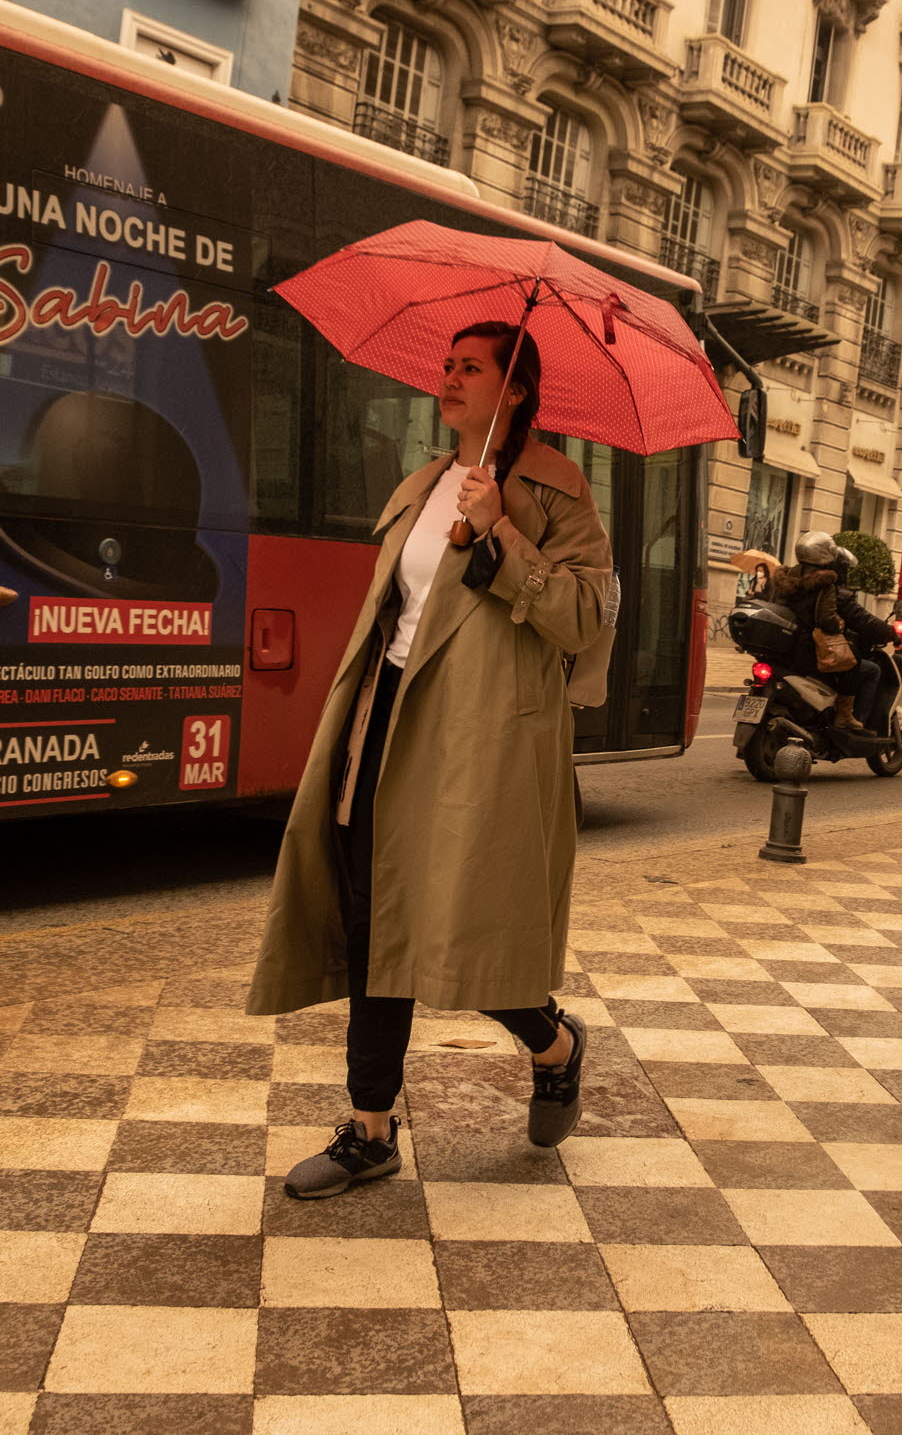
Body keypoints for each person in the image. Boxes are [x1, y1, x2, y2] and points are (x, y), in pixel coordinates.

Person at [248, 321, 616, 1199]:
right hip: (387, 718)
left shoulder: (559, 495)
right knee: (378, 917)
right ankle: (371, 1128)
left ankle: (553, 1041)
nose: (447, 377)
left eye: (470, 367)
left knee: (463, 924)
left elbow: (583, 622)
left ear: (515, 389)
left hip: (480, 739)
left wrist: (502, 537)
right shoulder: (424, 483)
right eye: (446, 364)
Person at [773, 532, 891, 737]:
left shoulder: (784, 580)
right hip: (812, 650)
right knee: (862, 666)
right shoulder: (825, 584)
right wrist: (838, 624)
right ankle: (846, 716)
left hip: (786, 649)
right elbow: (827, 620)